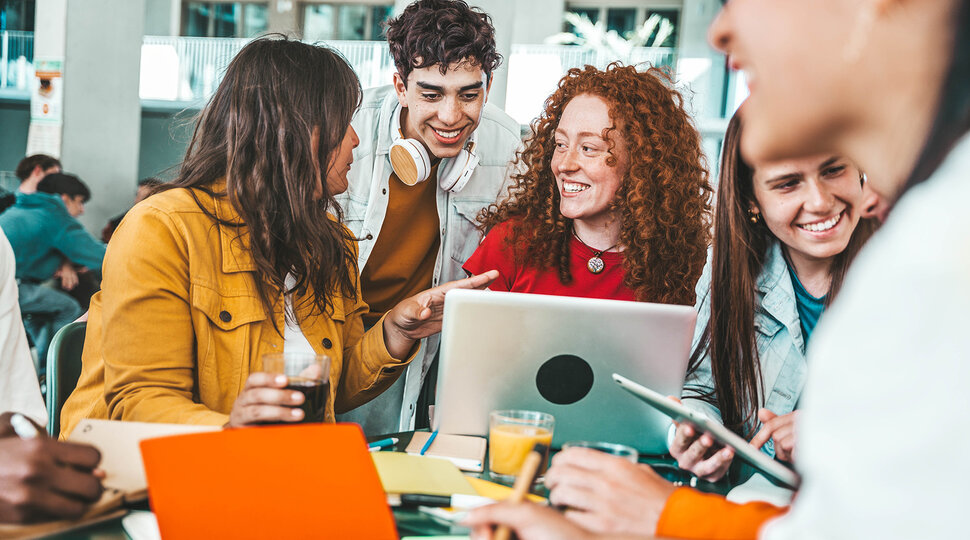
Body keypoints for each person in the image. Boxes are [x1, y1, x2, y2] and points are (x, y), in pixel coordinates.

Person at [466, 0, 970, 538]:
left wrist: (662, 515)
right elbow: (704, 392)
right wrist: (690, 440)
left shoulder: (936, 254)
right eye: (785, 184)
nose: (720, 31)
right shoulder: (742, 272)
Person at [59, 36, 496, 436]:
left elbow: (335, 388)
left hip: (282, 473)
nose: (357, 140)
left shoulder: (330, 242)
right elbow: (138, 403)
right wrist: (230, 428)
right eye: (343, 123)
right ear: (293, 133)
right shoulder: (163, 229)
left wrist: (397, 330)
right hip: (164, 487)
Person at [334, 0, 522, 435]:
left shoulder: (508, 146)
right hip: (350, 341)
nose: (451, 117)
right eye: (431, 94)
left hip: (441, 350)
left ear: (488, 87)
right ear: (400, 86)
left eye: (469, 94)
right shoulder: (349, 133)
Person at [670, 112, 878, 483]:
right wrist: (697, 433)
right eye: (787, 184)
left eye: (833, 171)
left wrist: (833, 433)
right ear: (752, 202)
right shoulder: (731, 266)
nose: (820, 201)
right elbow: (700, 388)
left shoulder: (910, 263)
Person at [463, 64, 711, 305]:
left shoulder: (681, 265)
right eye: (560, 145)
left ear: (641, 160)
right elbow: (467, 341)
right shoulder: (513, 242)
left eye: (588, 148)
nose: (564, 164)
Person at [0, 173, 105, 372]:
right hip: (12, 285)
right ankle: (56, 372)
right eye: (80, 202)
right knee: (68, 308)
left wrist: (65, 262)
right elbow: (97, 255)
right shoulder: (54, 214)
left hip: (13, 282)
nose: (81, 210)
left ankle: (41, 371)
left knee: (43, 315)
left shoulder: (24, 208)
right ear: (65, 198)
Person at [101, 177, 164, 243]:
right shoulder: (123, 220)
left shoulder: (162, 221)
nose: (137, 201)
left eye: (145, 198)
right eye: (138, 195)